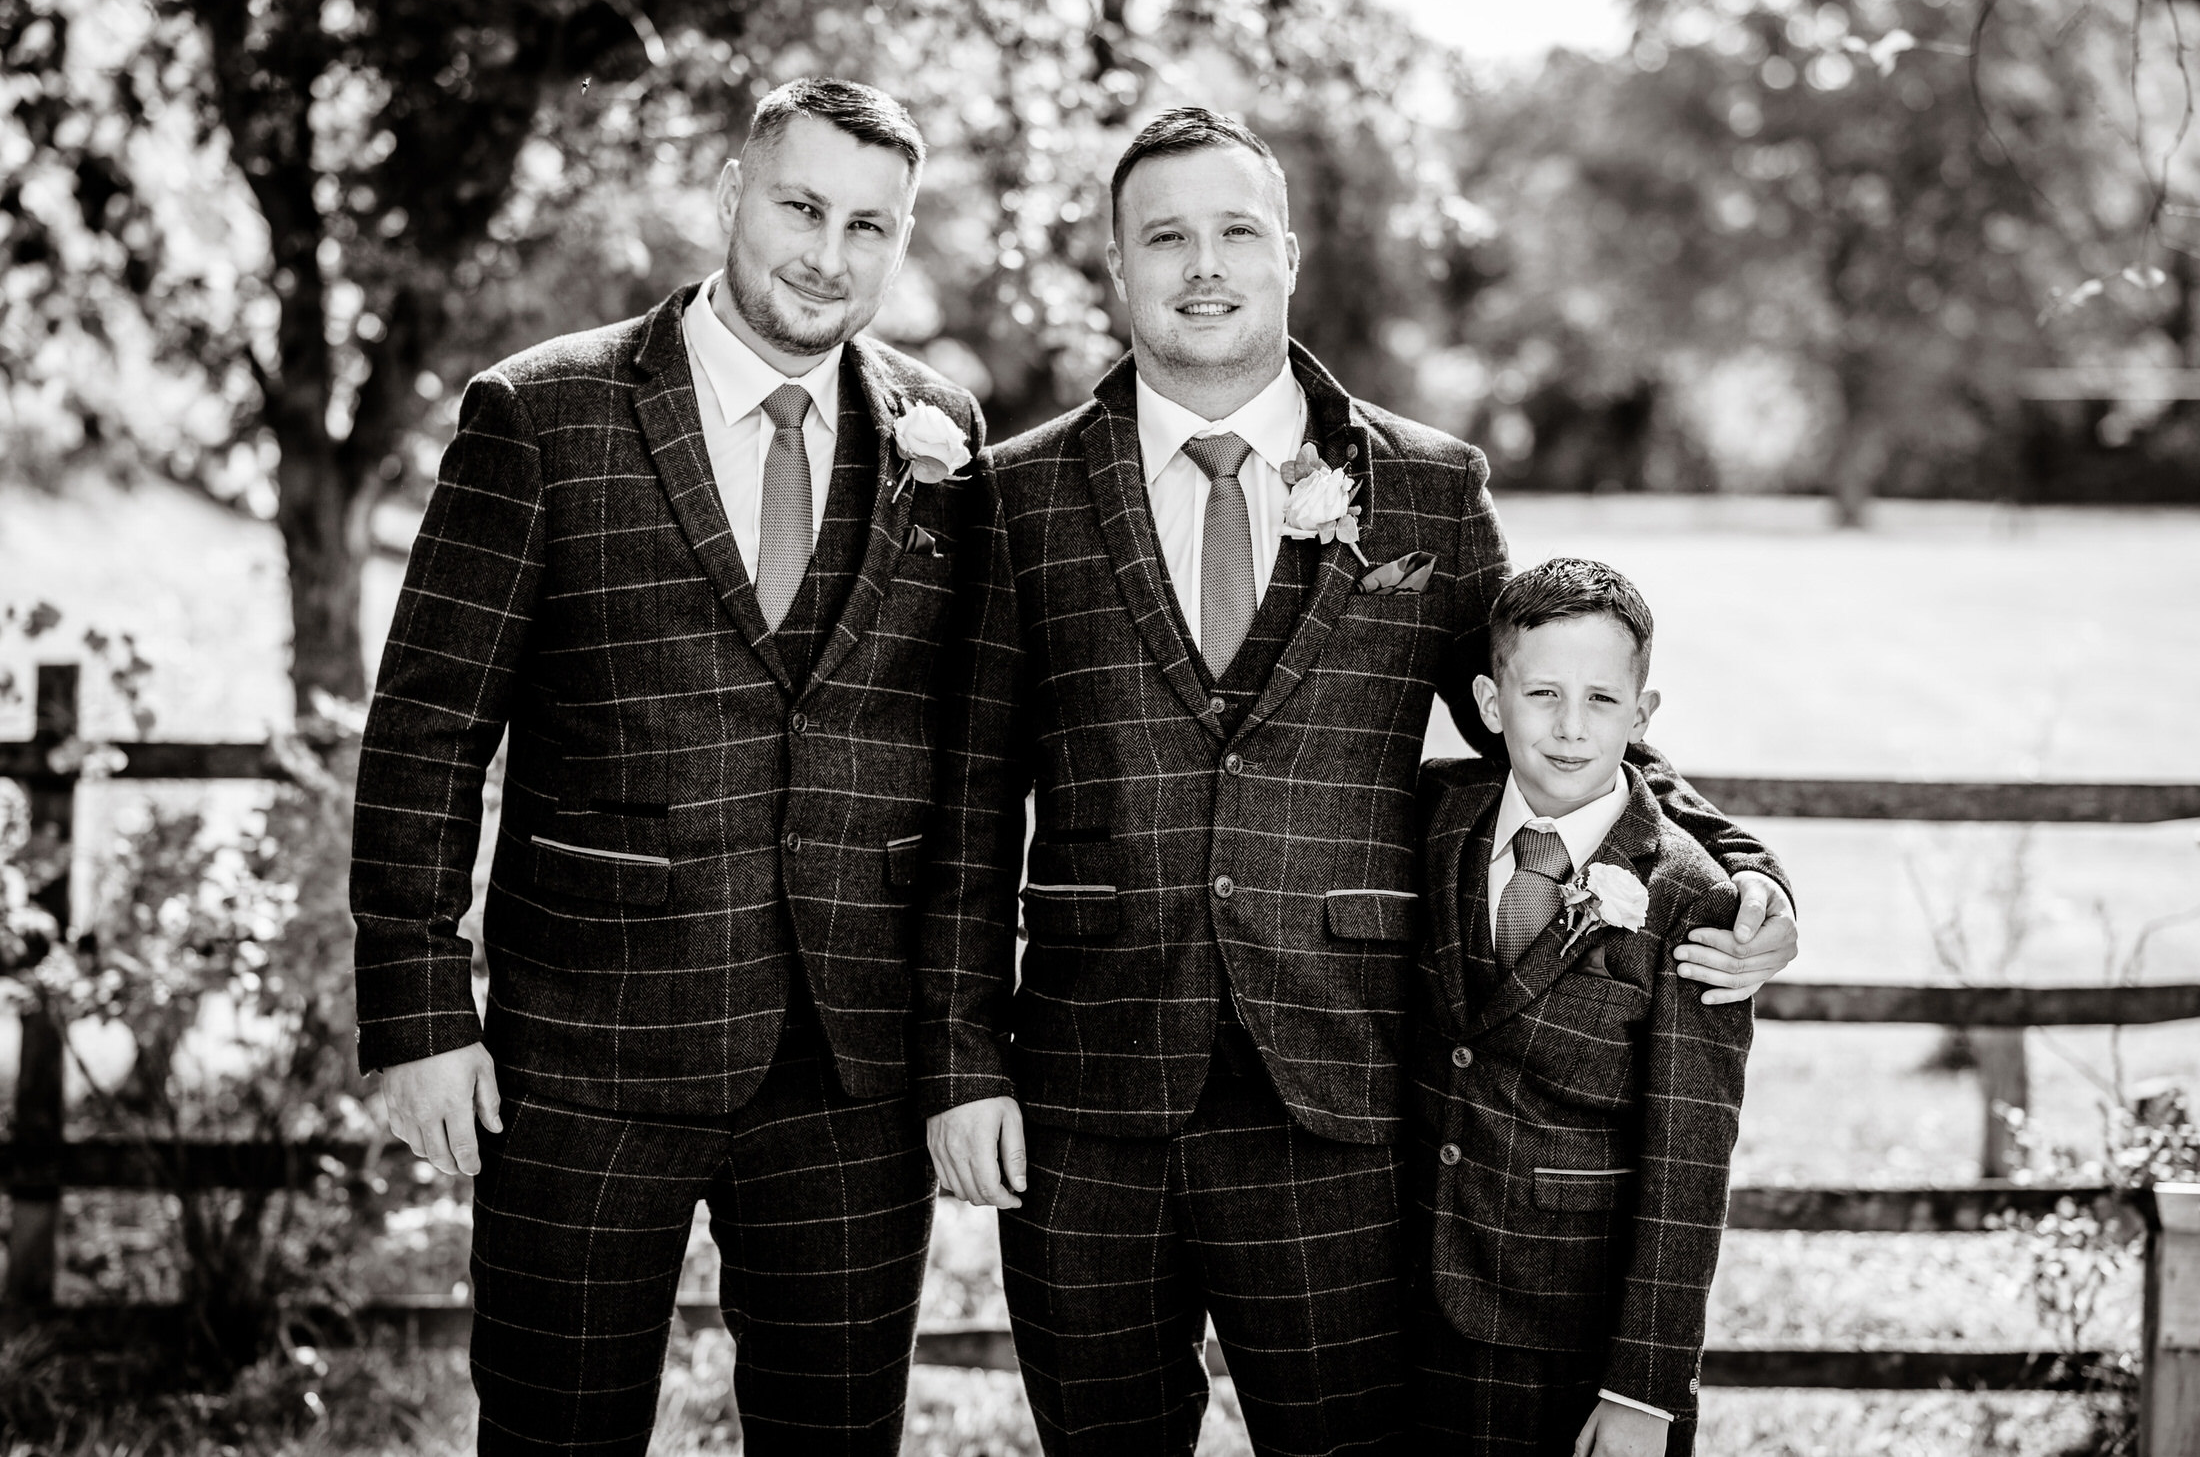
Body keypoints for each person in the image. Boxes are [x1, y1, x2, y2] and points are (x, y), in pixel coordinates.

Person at [918, 106, 1798, 1456]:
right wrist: (967, 1063)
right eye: (1164, 237)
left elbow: (1552, 726)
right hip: (1087, 1100)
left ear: (1286, 252)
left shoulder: (1429, 492)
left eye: (1231, 233)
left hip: (1336, 1091)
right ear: (1116, 264)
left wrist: (1735, 863)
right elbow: (973, 805)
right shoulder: (1021, 495)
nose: (1200, 265)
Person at [349, 78, 985, 1456]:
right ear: (730, 196)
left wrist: (955, 1039)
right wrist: (416, 1013)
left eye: (870, 225)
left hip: (849, 1067)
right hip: (583, 1050)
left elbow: (954, 747)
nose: (828, 253)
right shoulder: (544, 415)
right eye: (801, 207)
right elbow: (428, 729)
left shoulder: (946, 436)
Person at [1410, 558, 1766, 1455]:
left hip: (1576, 1331)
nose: (1570, 729)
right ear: (1492, 705)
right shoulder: (1428, 819)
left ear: (1642, 719)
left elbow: (1691, 1155)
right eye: (1543, 696)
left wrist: (1643, 1388)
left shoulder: (1693, 898)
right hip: (1403, 1312)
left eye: (1602, 701)